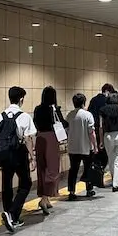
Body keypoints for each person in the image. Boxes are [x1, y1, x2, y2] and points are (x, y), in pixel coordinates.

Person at [0, 86, 37, 232]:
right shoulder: (24, 116)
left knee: (6, 184)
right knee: (25, 183)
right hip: (18, 152)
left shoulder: (1, 115)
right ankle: (12, 215)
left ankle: (8, 212)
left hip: (4, 153)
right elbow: (28, 138)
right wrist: (32, 157)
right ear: (21, 99)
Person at [33, 86, 68, 215]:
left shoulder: (37, 109)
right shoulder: (54, 109)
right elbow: (63, 123)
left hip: (40, 138)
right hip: (51, 139)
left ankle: (45, 198)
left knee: (42, 169)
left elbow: (35, 123)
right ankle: (44, 198)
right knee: (52, 170)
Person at [66, 93, 99, 200]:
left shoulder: (69, 115)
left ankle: (71, 191)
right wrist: (95, 146)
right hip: (86, 147)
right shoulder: (87, 115)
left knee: (73, 170)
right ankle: (89, 189)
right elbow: (91, 132)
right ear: (84, 102)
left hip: (72, 147)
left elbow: (67, 130)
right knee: (88, 168)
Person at [87, 84, 114, 176]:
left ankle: (96, 166)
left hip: (93, 127)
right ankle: (102, 166)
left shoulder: (93, 99)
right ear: (107, 91)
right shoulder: (107, 101)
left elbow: (89, 112)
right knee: (103, 148)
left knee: (95, 148)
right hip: (103, 128)